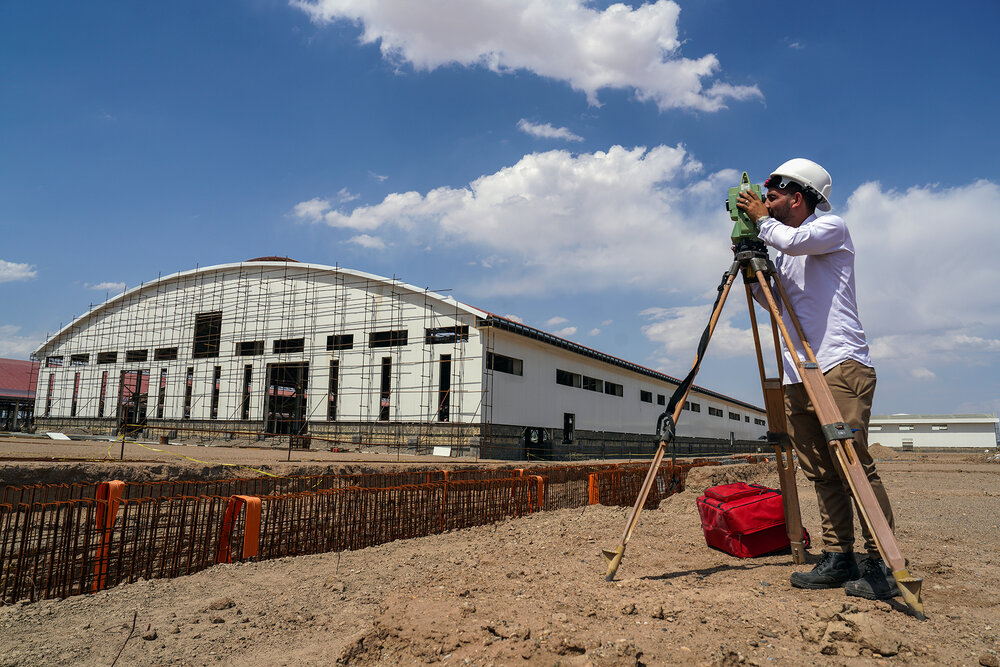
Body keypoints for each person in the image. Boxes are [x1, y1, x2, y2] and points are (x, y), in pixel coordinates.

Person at [735, 158, 898, 600]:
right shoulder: (784, 250)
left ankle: (882, 562)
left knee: (851, 464)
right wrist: (750, 270)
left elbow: (792, 241)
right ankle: (839, 556)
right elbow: (777, 307)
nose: (763, 203)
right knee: (821, 473)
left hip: (840, 365)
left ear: (798, 196)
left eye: (772, 196)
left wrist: (762, 223)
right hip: (798, 373)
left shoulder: (829, 229)